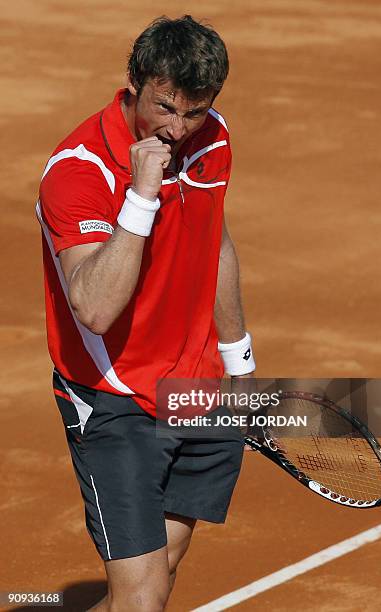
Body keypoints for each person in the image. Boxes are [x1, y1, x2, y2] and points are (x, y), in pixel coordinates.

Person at [37, 15, 256, 611]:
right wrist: (140, 195)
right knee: (142, 599)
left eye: (195, 111)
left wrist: (239, 361)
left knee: (158, 577)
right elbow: (95, 307)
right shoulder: (78, 171)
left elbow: (217, 239)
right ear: (133, 81)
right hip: (116, 398)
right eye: (164, 108)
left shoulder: (212, 136)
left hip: (197, 387)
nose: (178, 129)